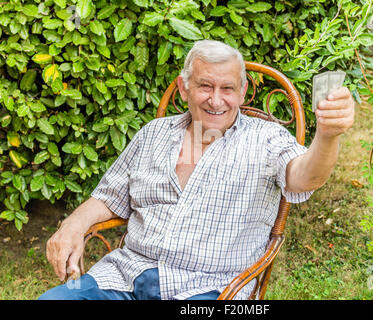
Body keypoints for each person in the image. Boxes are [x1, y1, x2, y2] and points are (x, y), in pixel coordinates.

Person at [39, 40, 355, 300]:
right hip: (125, 277)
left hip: (209, 289)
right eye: (205, 86)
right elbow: (110, 195)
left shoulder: (265, 139)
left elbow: (304, 176)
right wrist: (73, 224)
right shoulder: (154, 133)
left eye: (228, 88)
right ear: (184, 87)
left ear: (243, 92)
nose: (216, 100)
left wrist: (327, 136)